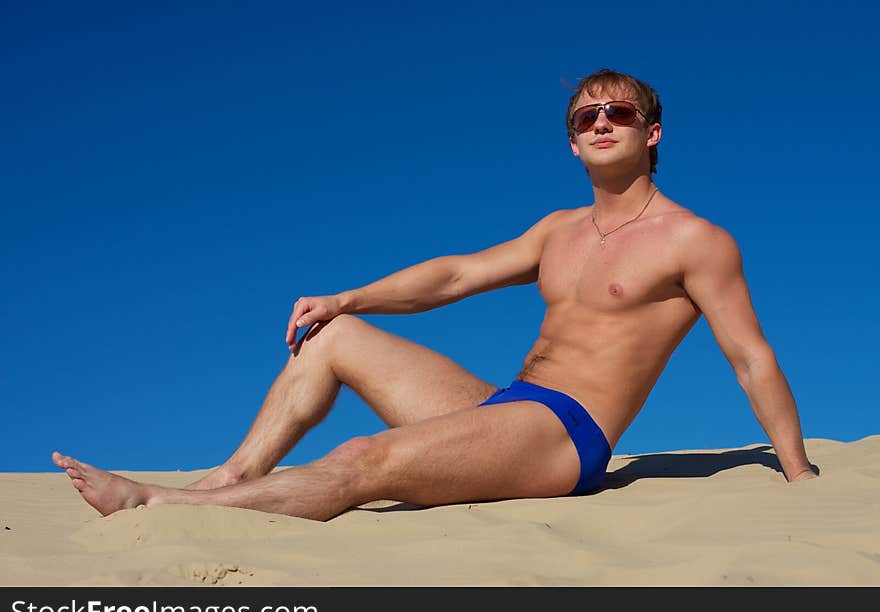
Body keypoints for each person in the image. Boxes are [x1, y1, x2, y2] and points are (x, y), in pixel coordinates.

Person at [53, 69, 818, 521]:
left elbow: (750, 357)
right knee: (338, 336)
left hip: (566, 438)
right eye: (587, 116)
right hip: (504, 408)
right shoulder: (558, 231)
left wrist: (799, 472)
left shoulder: (695, 240)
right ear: (572, 141)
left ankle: (167, 510)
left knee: (364, 458)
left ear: (652, 132)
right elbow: (454, 277)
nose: (601, 122)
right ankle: (231, 476)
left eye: (619, 112)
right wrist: (346, 297)